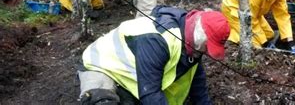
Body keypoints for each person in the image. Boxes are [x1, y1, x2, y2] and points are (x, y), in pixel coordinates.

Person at [78, 6, 230, 105]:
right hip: (101, 66)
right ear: (199, 35)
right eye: (207, 46)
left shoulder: (193, 41)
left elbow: (198, 83)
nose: (206, 52)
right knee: (100, 102)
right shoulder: (158, 40)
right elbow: (150, 93)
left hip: (135, 77)